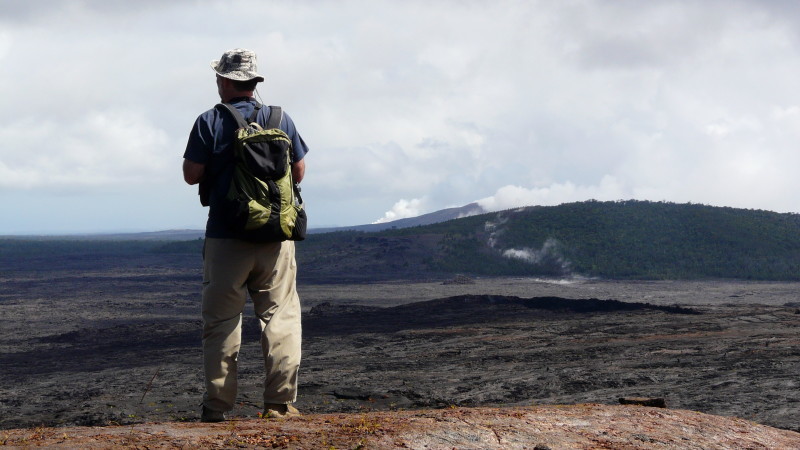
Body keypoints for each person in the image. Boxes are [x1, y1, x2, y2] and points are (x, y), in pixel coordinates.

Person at [182, 48, 309, 422]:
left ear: (223, 81)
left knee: (222, 322)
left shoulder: (211, 120)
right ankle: (280, 405)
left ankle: (218, 408)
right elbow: (299, 172)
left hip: (226, 236)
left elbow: (191, 174)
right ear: (254, 83)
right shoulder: (281, 119)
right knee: (281, 317)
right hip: (276, 238)